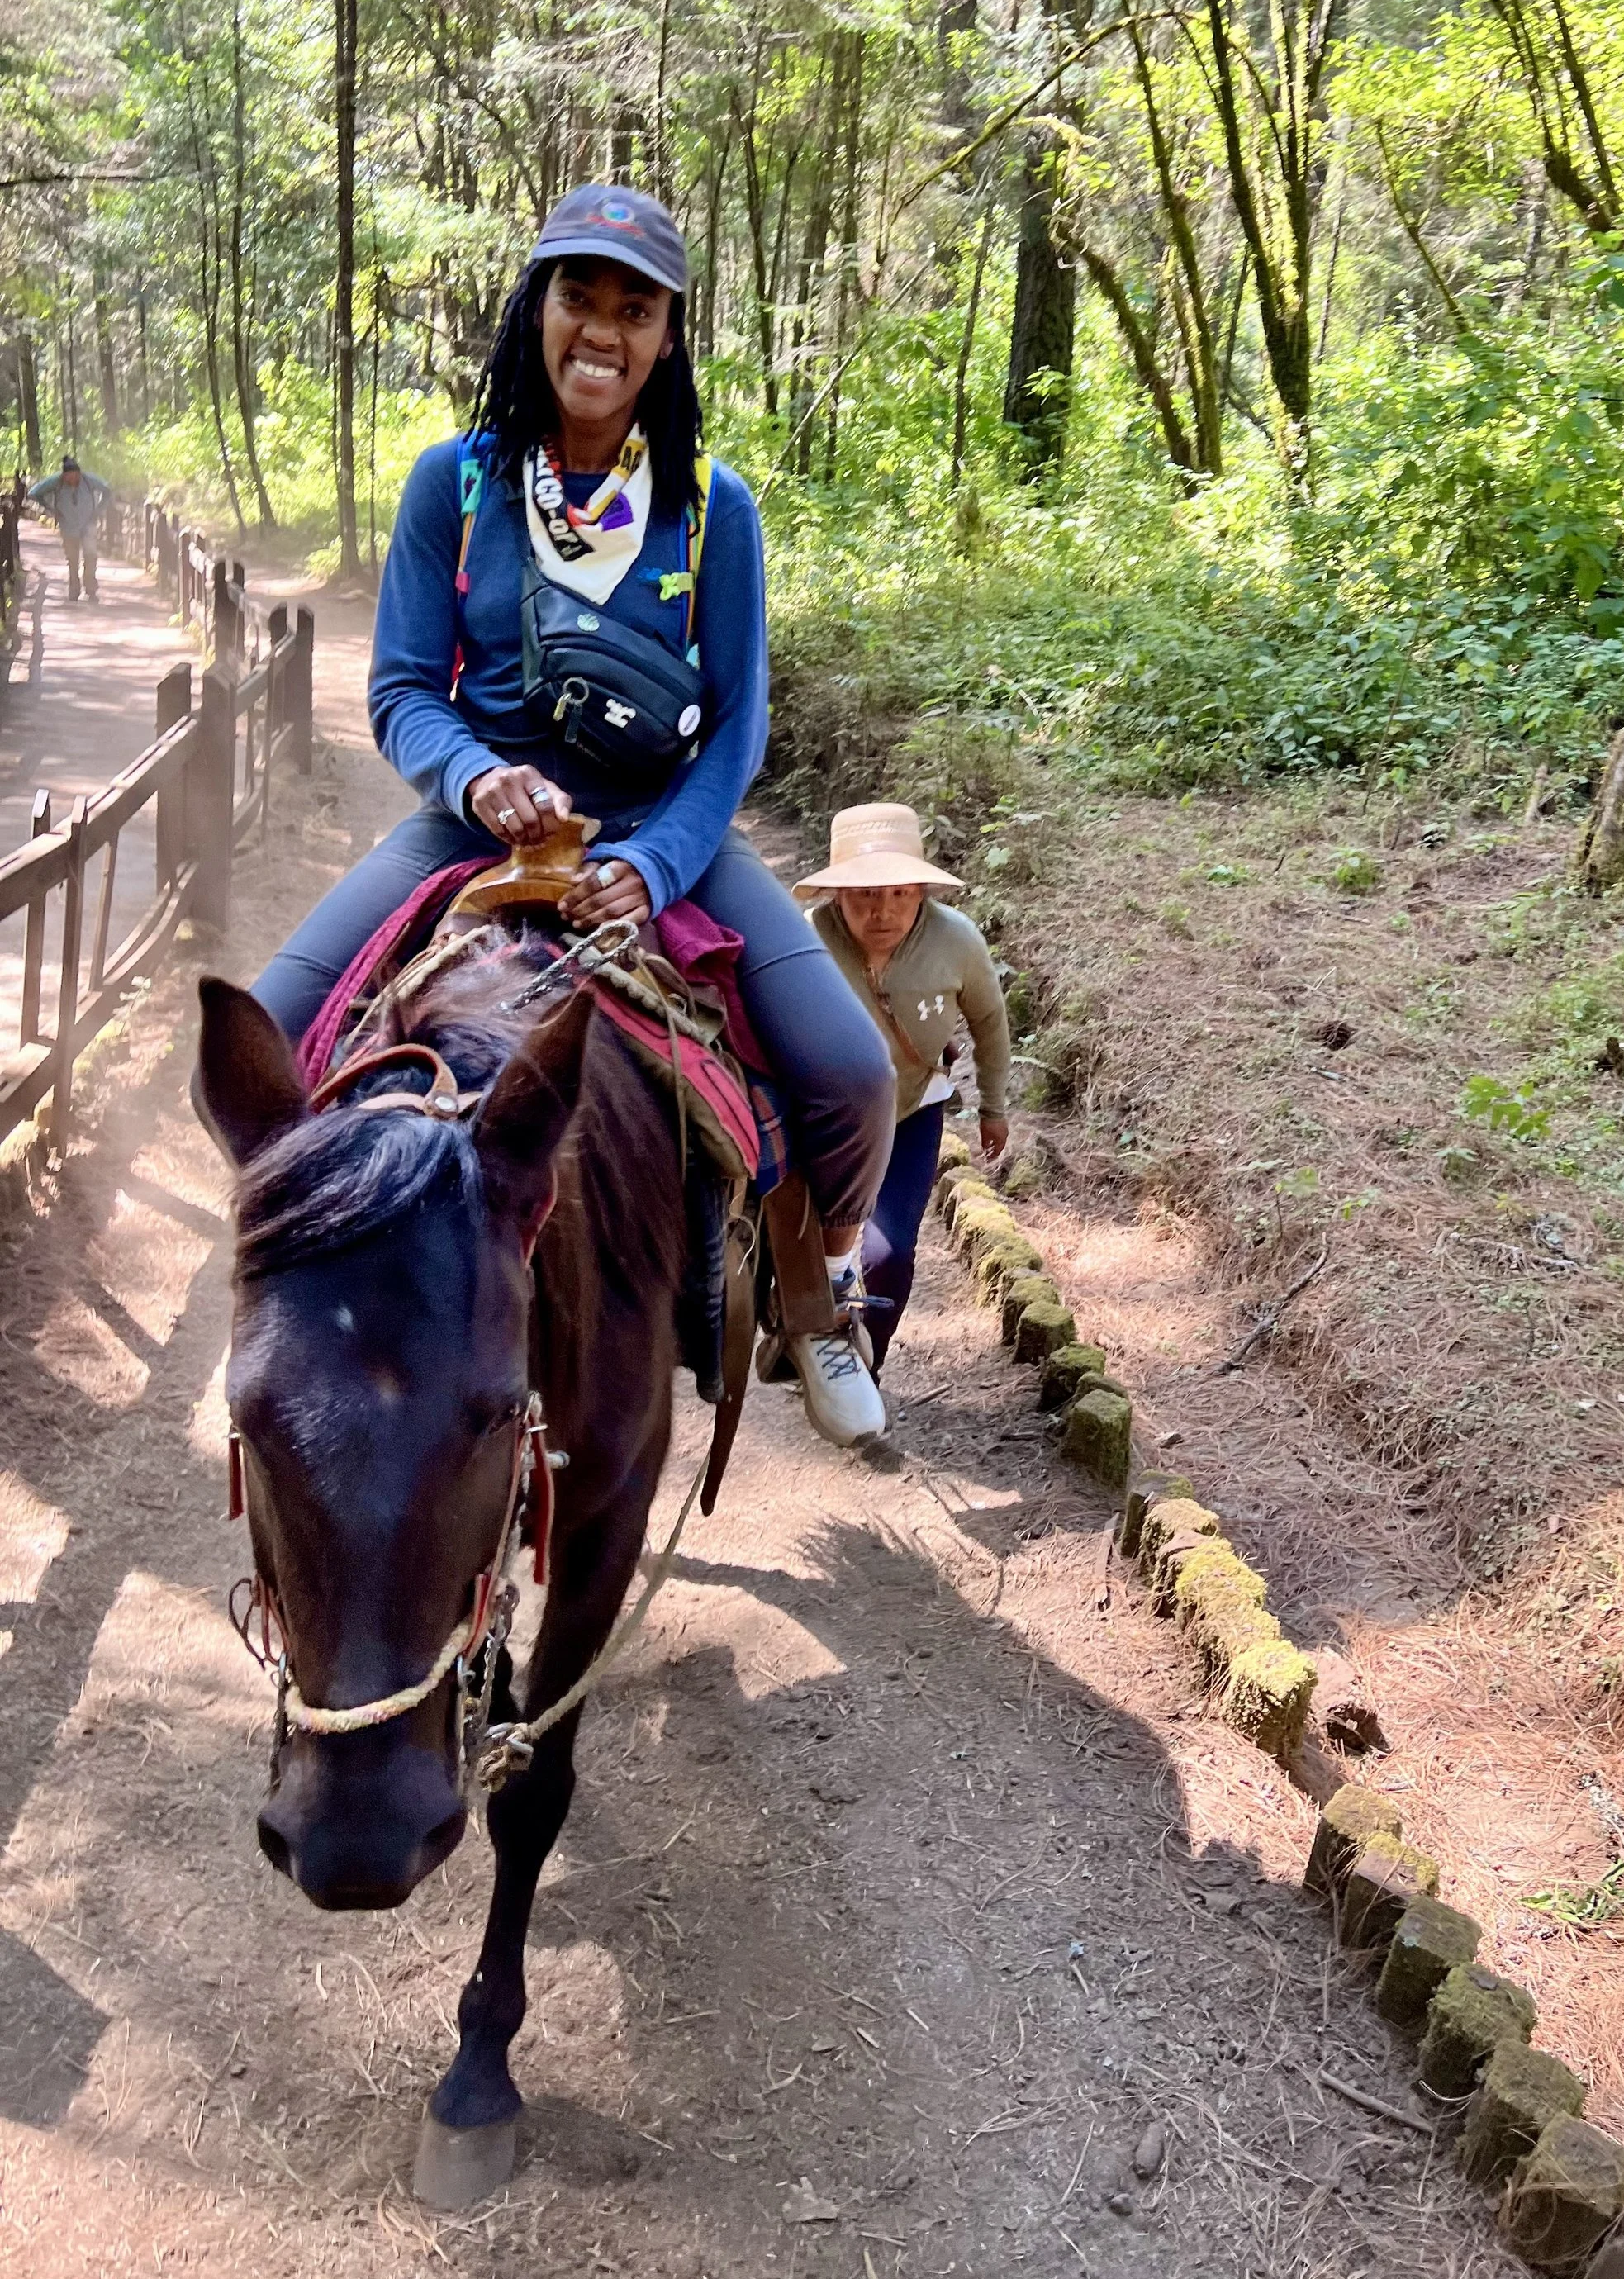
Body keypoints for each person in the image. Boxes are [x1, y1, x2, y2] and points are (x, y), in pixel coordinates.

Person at [243, 183, 896, 1447]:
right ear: (533, 311)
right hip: (474, 828)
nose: (602, 329)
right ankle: (312, 1318)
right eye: (577, 295)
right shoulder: (458, 483)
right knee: (265, 1038)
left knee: (853, 1073)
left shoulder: (715, 510)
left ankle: (813, 1291)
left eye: (633, 308)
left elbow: (739, 728)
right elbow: (398, 691)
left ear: (667, 337)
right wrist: (478, 778)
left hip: (661, 830)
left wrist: (653, 869)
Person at [797, 803, 1011, 1377]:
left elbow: (989, 1022)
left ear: (921, 890)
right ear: (838, 894)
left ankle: (864, 1363)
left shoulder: (957, 941)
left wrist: (993, 1107)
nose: (883, 911)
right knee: (802, 1246)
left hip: (910, 1113)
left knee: (887, 1255)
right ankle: (803, 1341)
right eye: (865, 894)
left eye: (899, 893)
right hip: (821, 1118)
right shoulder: (806, 940)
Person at [28, 453, 110, 601]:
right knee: (73, 560)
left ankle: (91, 588)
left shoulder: (89, 481)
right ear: (64, 475)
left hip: (88, 525)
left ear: (79, 473)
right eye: (68, 476)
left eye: (74, 475)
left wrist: (98, 511)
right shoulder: (56, 482)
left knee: (90, 556)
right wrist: (52, 510)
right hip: (68, 526)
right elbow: (34, 493)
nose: (71, 479)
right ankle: (74, 589)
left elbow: (107, 490)